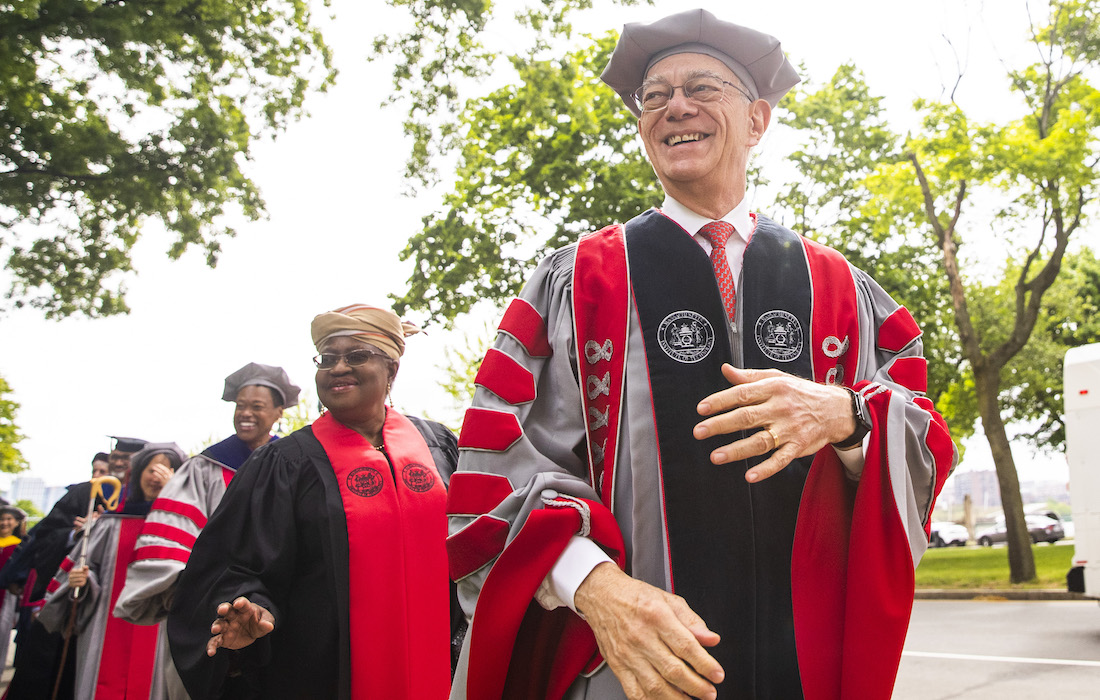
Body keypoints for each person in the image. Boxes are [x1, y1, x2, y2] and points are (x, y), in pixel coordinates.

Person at [446, 9, 958, 700]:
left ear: (757, 120)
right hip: (628, 667)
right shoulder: (580, 282)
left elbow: (921, 448)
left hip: (801, 665)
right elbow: (496, 469)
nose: (675, 107)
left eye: (702, 88)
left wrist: (847, 415)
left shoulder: (842, 290)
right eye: (654, 96)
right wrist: (596, 589)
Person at [167, 304, 460, 699]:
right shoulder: (283, 463)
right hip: (325, 677)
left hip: (440, 664)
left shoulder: (439, 447)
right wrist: (251, 606)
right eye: (327, 358)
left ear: (391, 369)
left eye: (356, 355)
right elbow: (230, 564)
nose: (338, 368)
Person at [114, 363, 300, 699]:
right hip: (208, 609)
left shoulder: (293, 466)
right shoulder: (204, 468)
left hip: (277, 609)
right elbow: (171, 536)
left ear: (278, 412)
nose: (245, 413)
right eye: (240, 405)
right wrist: (194, 595)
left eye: (257, 406)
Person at [2, 436, 146, 700]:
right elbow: (44, 535)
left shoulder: (148, 501)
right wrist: (75, 534)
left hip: (119, 603)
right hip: (74, 600)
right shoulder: (84, 493)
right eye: (115, 457)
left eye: (126, 459)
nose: (119, 463)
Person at [39, 443, 186, 700]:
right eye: (151, 469)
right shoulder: (109, 523)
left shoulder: (185, 527)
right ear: (137, 474)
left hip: (160, 628)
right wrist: (83, 581)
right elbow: (88, 568)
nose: (156, 477)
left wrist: (172, 497)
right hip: (105, 624)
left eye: (166, 471)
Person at [0, 505, 27, 666]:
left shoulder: (20, 546)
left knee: (2, 631)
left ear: (17, 523)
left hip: (7, 595)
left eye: (9, 519)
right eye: (2, 519)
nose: (4, 523)